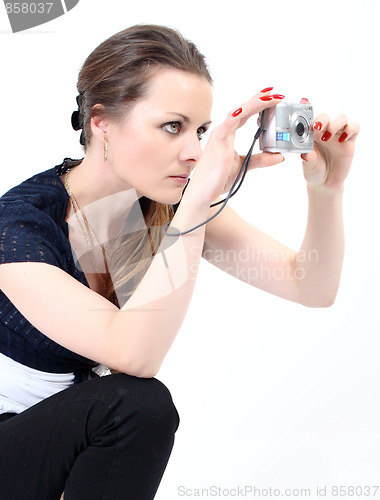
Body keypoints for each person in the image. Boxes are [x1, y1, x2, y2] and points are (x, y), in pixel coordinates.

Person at [0, 24, 359, 500]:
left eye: (203, 131)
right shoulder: (18, 225)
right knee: (137, 406)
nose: (194, 152)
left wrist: (325, 190)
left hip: (65, 442)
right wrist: (196, 207)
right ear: (102, 123)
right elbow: (132, 355)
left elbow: (311, 287)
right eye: (173, 126)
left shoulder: (165, 202)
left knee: (136, 408)